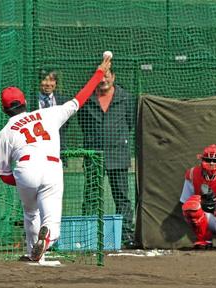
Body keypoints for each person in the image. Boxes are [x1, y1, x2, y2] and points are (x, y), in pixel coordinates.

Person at [0, 56, 111, 262]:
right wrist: (99, 73)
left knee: (31, 214)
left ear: (4, 109)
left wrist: (21, 181)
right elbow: (78, 100)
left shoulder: (5, 132)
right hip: (52, 166)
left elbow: (3, 175)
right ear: (25, 102)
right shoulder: (48, 114)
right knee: (52, 223)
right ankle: (45, 242)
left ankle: (33, 254)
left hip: (25, 168)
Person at [77, 64, 136, 247]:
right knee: (91, 196)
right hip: (94, 155)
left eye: (106, 76)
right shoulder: (86, 100)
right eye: (100, 76)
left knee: (121, 196)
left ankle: (126, 234)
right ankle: (88, 235)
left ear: (113, 77)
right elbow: (83, 123)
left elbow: (131, 122)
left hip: (118, 154)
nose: (103, 80)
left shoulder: (126, 98)